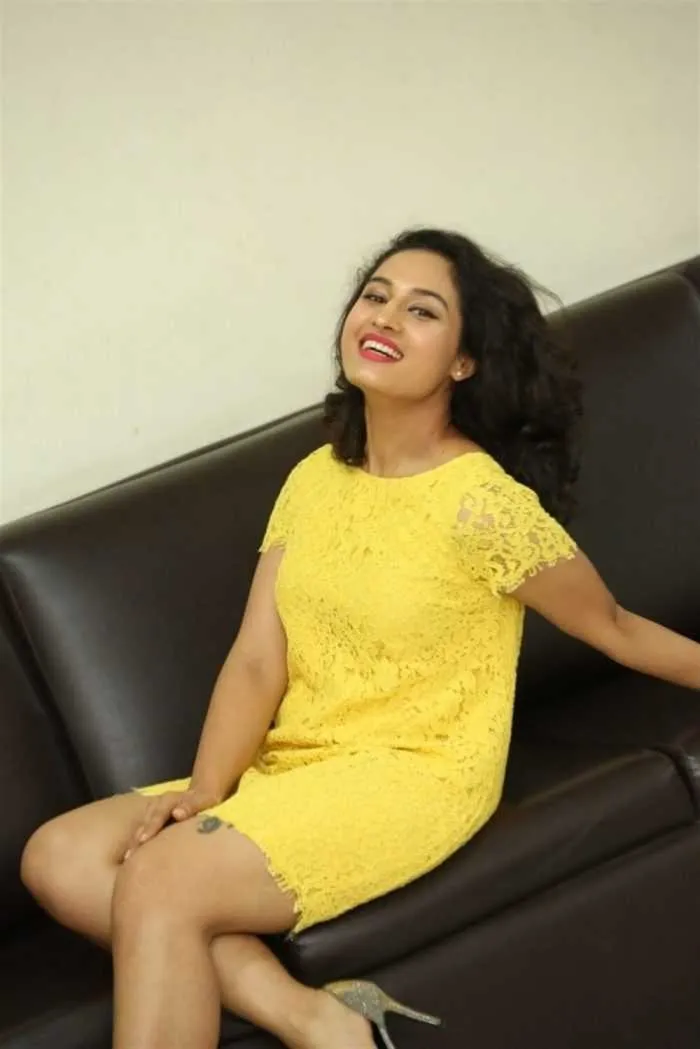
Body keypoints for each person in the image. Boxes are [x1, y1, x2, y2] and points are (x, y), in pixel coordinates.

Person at [20, 228, 700, 1049]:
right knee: (59, 853)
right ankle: (315, 1015)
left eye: (422, 310)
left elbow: (615, 627)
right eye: (375, 295)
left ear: (464, 361)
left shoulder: (480, 503)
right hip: (299, 759)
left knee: (163, 878)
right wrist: (204, 788)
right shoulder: (314, 478)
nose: (383, 316)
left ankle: (317, 1022)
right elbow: (257, 659)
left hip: (416, 771)